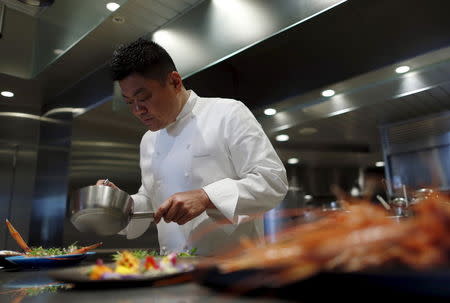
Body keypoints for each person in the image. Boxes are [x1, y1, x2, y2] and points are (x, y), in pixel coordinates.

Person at [97, 38, 288, 255]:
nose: (138, 110)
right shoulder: (149, 140)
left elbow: (272, 180)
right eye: (130, 102)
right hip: (172, 270)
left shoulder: (228, 113)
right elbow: (152, 201)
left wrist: (206, 197)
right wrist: (121, 204)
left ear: (175, 82)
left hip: (232, 268)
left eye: (144, 97)